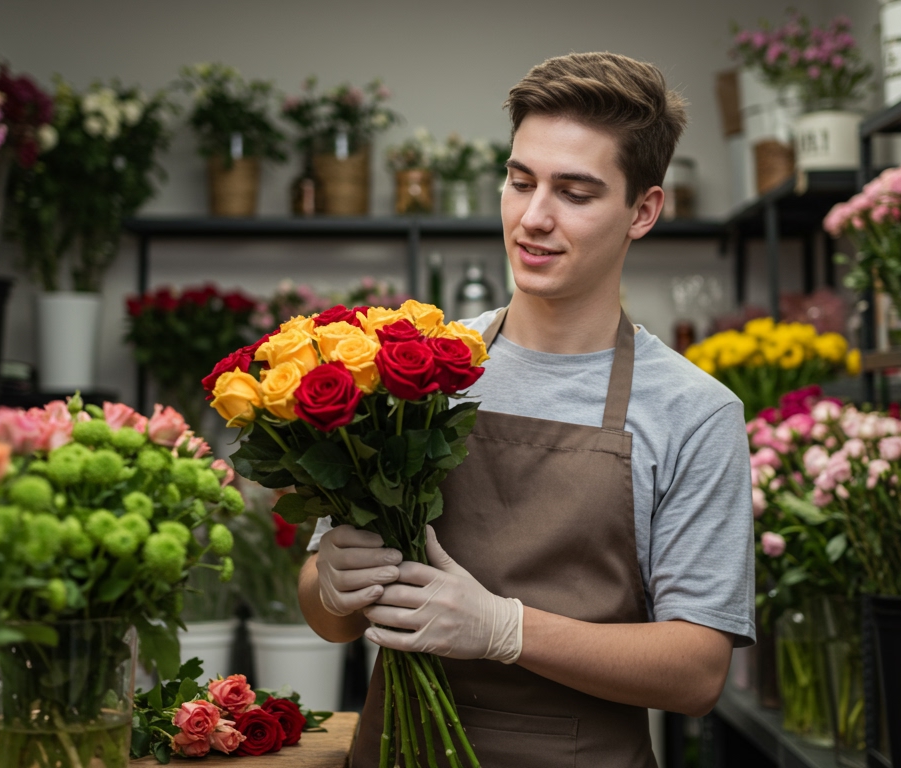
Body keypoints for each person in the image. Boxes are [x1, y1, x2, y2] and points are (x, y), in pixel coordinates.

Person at [298, 52, 755, 767]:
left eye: (575, 192)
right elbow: (328, 618)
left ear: (643, 210)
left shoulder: (694, 411)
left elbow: (697, 672)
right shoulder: (416, 368)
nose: (533, 218)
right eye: (520, 182)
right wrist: (332, 583)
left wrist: (504, 629)